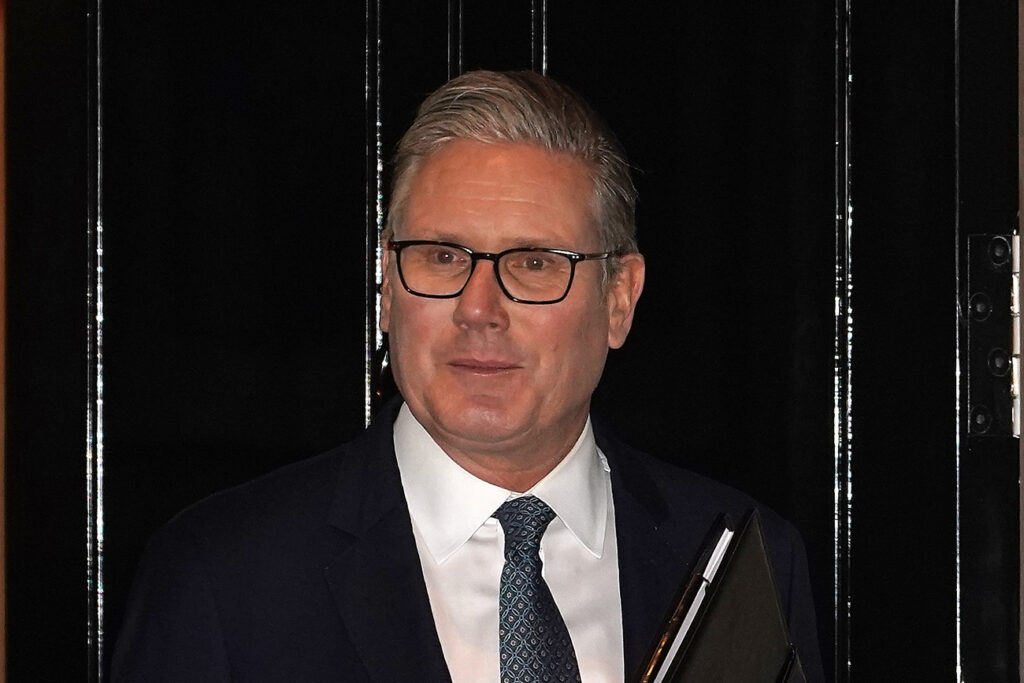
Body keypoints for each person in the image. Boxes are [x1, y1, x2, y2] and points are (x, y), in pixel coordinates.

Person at [112, 70, 823, 682]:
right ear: (387, 285)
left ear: (618, 298)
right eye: (443, 257)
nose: (479, 309)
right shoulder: (223, 577)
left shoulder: (749, 563)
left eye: (535, 263)